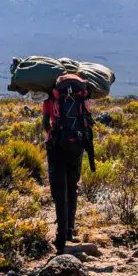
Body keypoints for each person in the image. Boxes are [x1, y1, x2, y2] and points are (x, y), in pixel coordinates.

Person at [42, 74, 96, 254]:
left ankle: (61, 233)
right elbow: (88, 120)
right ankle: (70, 232)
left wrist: (52, 134)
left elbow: (45, 123)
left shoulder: (52, 97)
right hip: (77, 145)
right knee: (72, 186)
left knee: (59, 189)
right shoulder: (83, 96)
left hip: (56, 146)